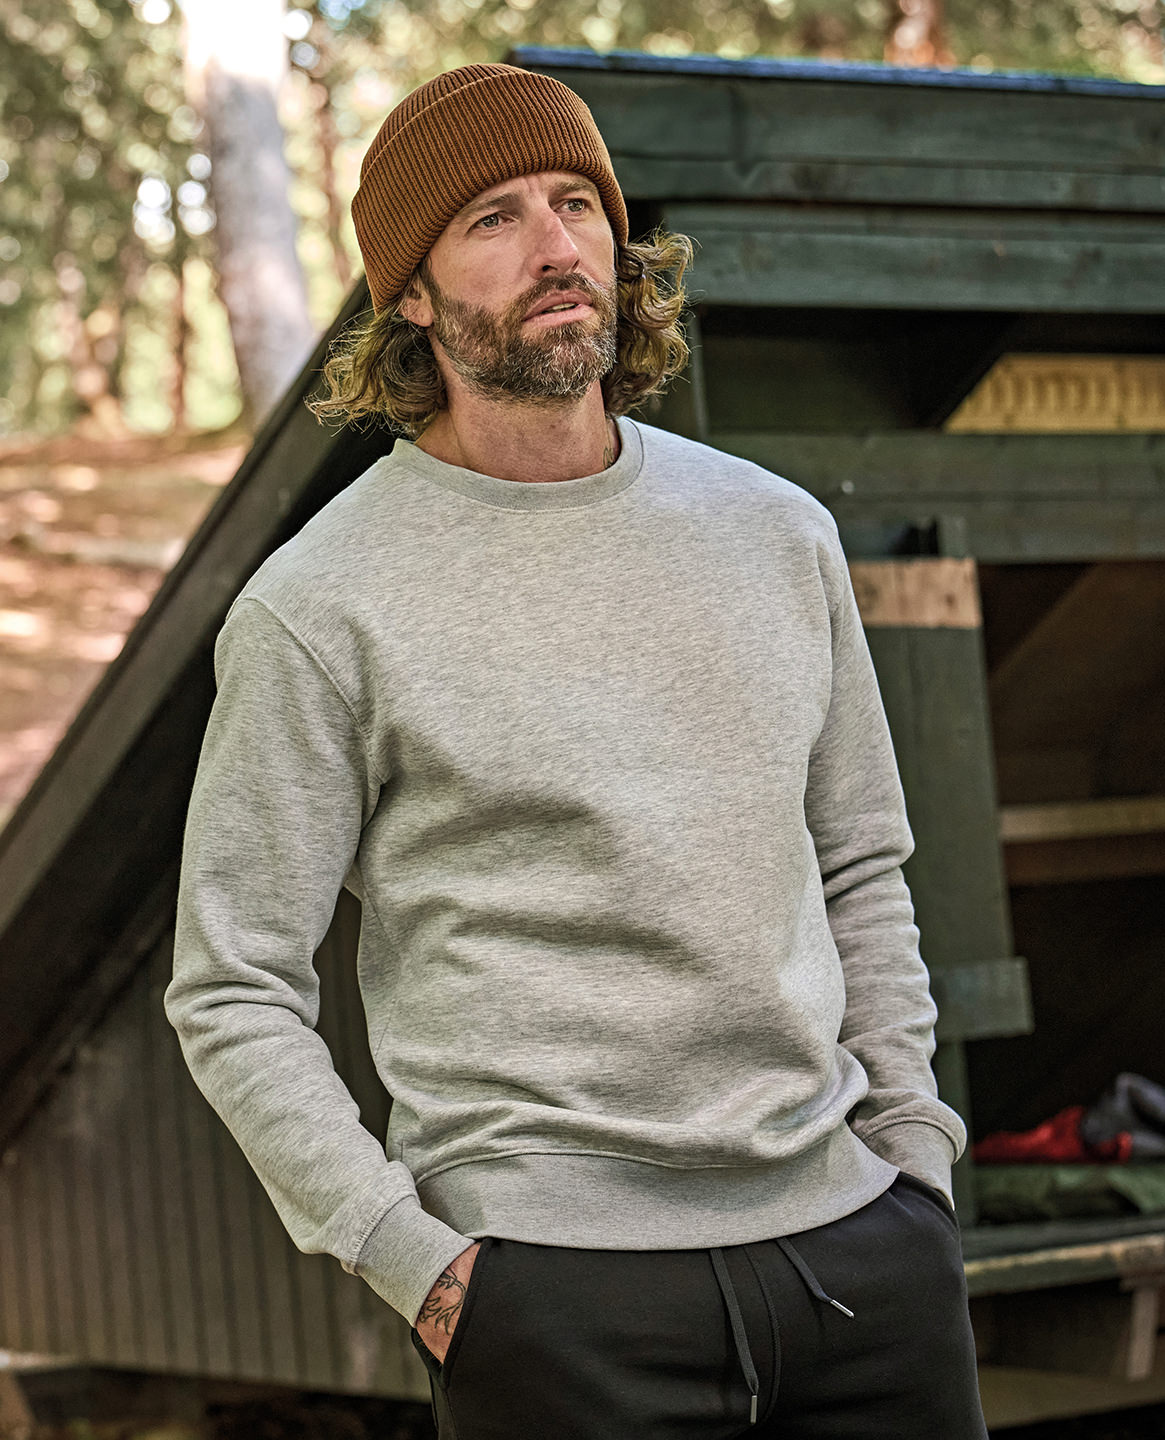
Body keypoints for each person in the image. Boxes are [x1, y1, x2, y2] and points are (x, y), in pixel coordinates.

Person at [165, 61, 988, 1439]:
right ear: (410, 296)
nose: (555, 246)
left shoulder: (777, 535)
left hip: (860, 1262)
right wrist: (417, 1266)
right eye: (492, 218)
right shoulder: (320, 608)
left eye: (575, 203)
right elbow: (232, 986)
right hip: (554, 1298)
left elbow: (861, 863)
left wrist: (913, 1154)